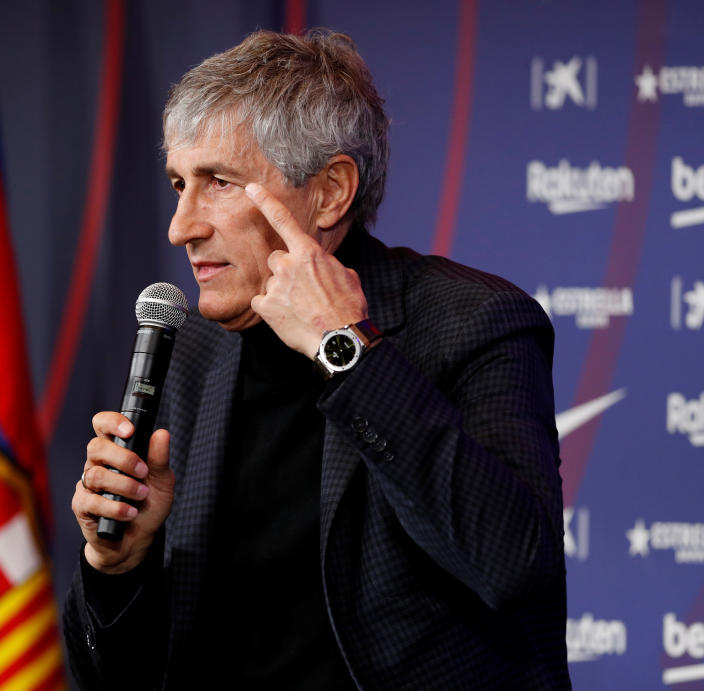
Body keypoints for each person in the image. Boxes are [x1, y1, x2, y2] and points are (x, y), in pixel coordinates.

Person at [64, 29, 570, 690]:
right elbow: (109, 679)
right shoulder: (185, 352)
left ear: (330, 191)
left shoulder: (474, 321)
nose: (180, 225)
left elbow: (513, 562)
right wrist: (115, 569)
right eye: (178, 184)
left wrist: (347, 349)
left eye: (218, 181)